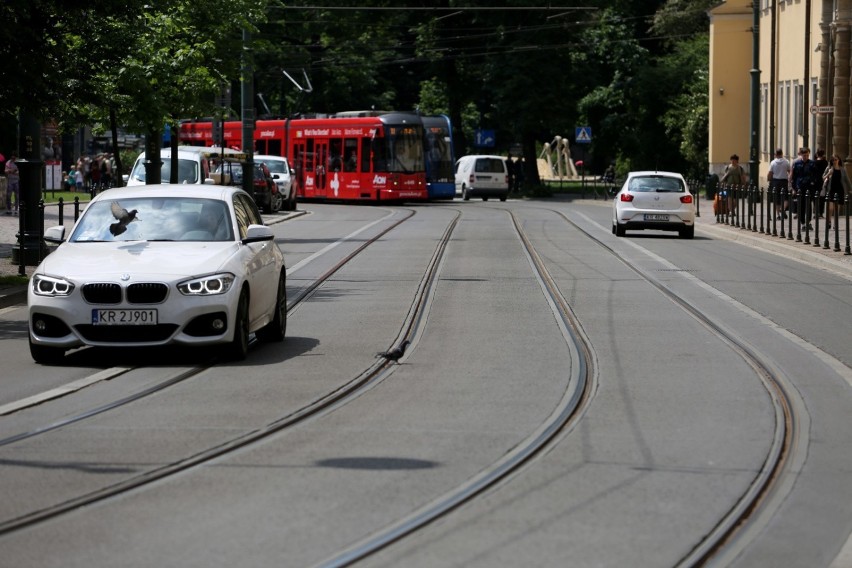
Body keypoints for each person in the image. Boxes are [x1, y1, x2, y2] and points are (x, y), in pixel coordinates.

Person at [790, 147, 817, 230]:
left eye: (807, 155)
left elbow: (815, 175)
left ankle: (808, 222)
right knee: (801, 206)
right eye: (804, 155)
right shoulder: (797, 164)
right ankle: (802, 223)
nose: (806, 157)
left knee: (808, 205)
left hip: (809, 187)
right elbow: (793, 177)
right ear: (801, 155)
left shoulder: (812, 163)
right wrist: (794, 188)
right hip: (800, 187)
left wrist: (813, 184)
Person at [822, 154, 851, 228]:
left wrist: (850, 188)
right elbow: (823, 178)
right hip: (831, 190)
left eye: (836, 159)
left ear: (839, 160)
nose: (835, 161)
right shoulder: (829, 168)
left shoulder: (842, 169)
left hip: (840, 190)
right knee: (830, 208)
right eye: (833, 160)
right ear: (831, 161)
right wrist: (829, 173)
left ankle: (836, 224)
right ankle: (829, 221)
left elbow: (847, 180)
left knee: (836, 208)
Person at [767, 148, 790, 219]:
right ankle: (782, 209)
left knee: (777, 198)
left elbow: (770, 173)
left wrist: (768, 179)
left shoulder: (773, 162)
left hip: (775, 181)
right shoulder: (786, 162)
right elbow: (789, 171)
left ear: (775, 154)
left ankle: (778, 215)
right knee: (786, 197)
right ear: (782, 154)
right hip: (784, 181)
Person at [813, 148, 829, 218]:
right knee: (822, 197)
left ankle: (816, 211)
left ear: (817, 154)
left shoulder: (814, 162)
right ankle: (821, 212)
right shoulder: (825, 162)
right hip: (823, 181)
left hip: (816, 181)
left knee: (815, 197)